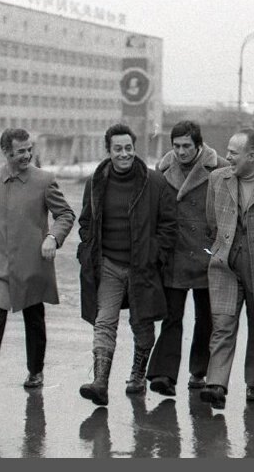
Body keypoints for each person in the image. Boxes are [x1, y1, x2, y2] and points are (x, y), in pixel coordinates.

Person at [0, 128, 75, 399]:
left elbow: (65, 214)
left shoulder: (44, 180)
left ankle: (35, 371)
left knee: (34, 317)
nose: (27, 155)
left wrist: (53, 237)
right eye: (21, 151)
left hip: (32, 261)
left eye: (29, 149)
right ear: (6, 152)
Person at [78, 124, 177, 406]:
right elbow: (86, 221)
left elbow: (169, 225)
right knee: (104, 321)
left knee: (142, 322)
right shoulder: (95, 183)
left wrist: (154, 254)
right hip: (108, 264)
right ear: (108, 151)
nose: (124, 154)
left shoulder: (155, 183)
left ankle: (137, 375)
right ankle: (100, 383)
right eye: (118, 149)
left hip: (142, 267)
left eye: (128, 148)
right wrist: (87, 250)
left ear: (135, 148)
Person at [199, 128, 254, 410]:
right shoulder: (217, 179)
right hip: (226, 263)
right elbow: (212, 219)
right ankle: (216, 384)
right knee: (222, 324)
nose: (228, 156)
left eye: (234, 153)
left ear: (253, 156)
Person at [146, 120, 228, 397]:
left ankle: (198, 372)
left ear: (199, 145)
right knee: (171, 316)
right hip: (175, 253)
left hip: (208, 253)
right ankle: (164, 375)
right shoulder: (162, 169)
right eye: (176, 146)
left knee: (206, 319)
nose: (180, 152)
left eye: (186, 146)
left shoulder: (220, 168)